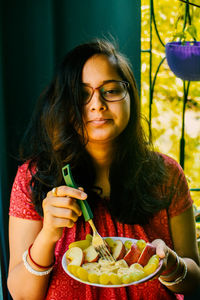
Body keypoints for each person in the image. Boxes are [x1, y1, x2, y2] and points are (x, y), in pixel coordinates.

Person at [7, 39, 200, 300]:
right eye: (82, 94)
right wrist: (49, 233)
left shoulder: (167, 174)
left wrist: (172, 266)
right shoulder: (33, 178)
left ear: (131, 95)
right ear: (65, 104)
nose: (97, 104)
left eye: (110, 90)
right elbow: (21, 295)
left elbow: (194, 279)